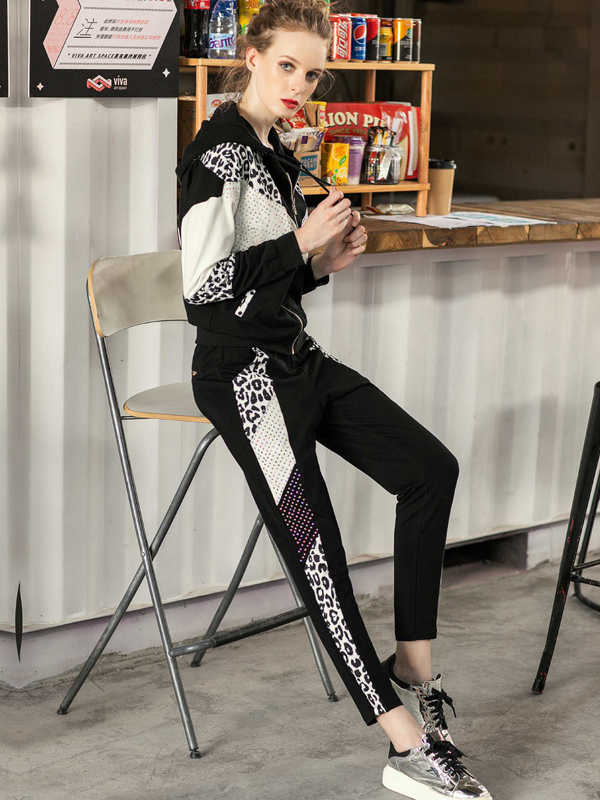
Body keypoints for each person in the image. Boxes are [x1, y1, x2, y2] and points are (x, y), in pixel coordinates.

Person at [175, 1, 492, 796]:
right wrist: (300, 244)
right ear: (251, 57)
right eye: (287, 66)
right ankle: (404, 743)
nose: (300, 85)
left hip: (294, 358)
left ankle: (412, 660)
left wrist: (318, 267)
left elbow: (265, 282)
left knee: (429, 469)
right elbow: (203, 293)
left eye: (313, 74)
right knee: (319, 557)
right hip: (242, 378)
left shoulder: (275, 151)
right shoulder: (217, 153)